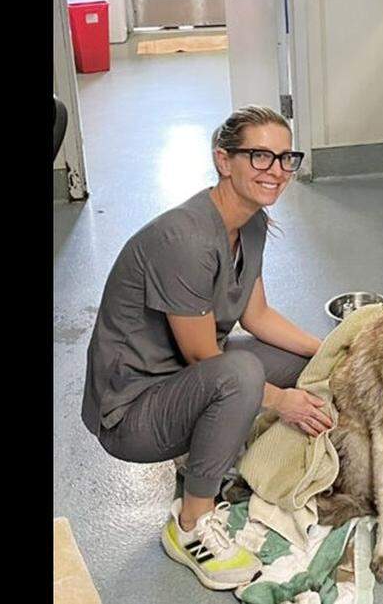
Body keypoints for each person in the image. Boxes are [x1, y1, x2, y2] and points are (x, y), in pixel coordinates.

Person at [80, 105, 333, 591]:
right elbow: (203, 357)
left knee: (298, 362)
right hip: (132, 413)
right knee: (240, 375)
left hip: (179, 381)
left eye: (285, 158)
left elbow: (257, 316)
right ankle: (191, 523)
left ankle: (209, 445)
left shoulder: (252, 222)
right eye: (259, 156)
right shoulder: (187, 238)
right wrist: (283, 403)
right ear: (223, 160)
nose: (276, 171)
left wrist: (330, 349)